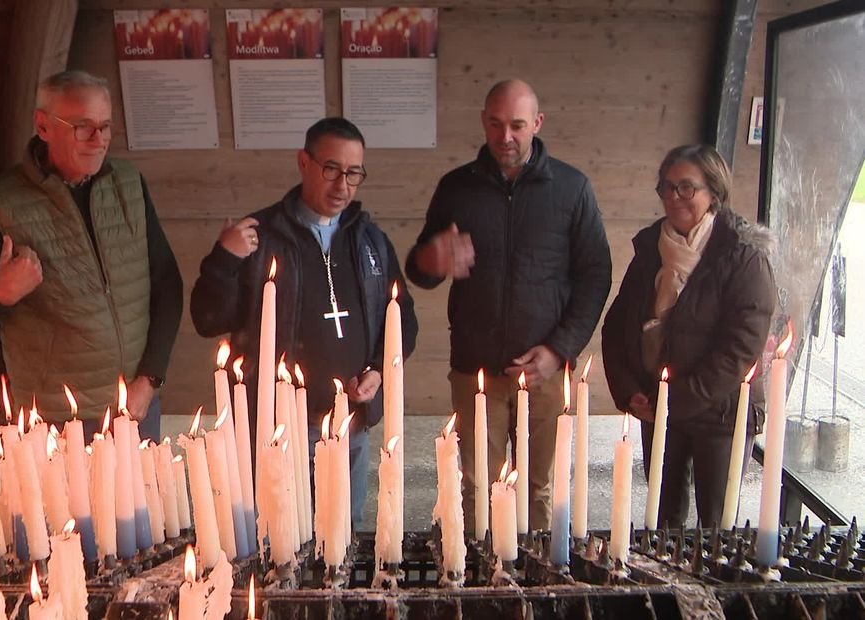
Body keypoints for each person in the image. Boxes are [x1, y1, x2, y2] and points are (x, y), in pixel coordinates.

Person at [189, 117, 417, 528]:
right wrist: (223, 259)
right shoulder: (261, 236)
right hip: (278, 428)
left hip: (351, 425)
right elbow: (208, 320)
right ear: (304, 163)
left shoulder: (369, 241)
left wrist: (380, 371)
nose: (342, 185)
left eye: (353, 173)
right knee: (279, 537)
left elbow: (404, 322)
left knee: (343, 541)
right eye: (331, 169)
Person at [405, 79, 612, 532]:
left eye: (518, 125)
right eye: (496, 124)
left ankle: (537, 583)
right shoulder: (456, 188)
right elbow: (420, 269)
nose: (505, 137)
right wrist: (430, 257)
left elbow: (596, 275)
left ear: (537, 124)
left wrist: (560, 349)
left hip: (545, 369)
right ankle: (483, 579)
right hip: (474, 370)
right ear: (483, 121)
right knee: (476, 487)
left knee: (540, 488)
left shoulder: (572, 189)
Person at [0, 70, 183, 441]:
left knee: (142, 502)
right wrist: (1, 296)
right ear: (43, 127)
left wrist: (150, 378)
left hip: (136, 404)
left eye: (105, 127)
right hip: (58, 419)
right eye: (83, 126)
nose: (99, 140)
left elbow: (168, 282)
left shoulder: (128, 183)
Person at [601, 144, 776, 529]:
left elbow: (740, 348)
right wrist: (630, 390)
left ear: (714, 192)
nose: (673, 197)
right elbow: (618, 325)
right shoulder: (651, 248)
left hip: (720, 411)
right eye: (666, 187)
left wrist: (675, 401)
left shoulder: (743, 255)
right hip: (658, 406)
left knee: (716, 522)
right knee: (665, 519)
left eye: (686, 187)